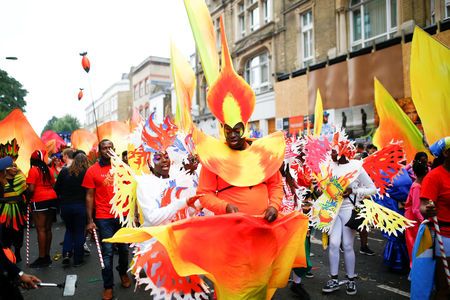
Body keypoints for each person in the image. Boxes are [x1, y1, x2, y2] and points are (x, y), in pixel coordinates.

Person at [197, 121, 283, 222]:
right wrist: (224, 207)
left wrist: (274, 206)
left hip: (262, 225)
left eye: (237, 131)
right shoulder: (214, 157)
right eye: (228, 132)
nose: (233, 135)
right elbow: (204, 194)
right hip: (229, 227)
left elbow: (275, 184)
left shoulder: (262, 152)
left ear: (245, 129)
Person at [322, 148, 377, 296]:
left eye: (334, 151)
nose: (331, 154)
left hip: (349, 208)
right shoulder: (329, 166)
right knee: (333, 244)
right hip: (333, 209)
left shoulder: (356, 166)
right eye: (331, 152)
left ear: (343, 151)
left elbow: (373, 189)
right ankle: (334, 279)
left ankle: (351, 279)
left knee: (347, 245)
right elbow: (324, 187)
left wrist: (353, 191)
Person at [82, 139, 131, 300]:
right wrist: (89, 220)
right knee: (107, 253)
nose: (108, 150)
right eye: (104, 148)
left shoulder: (122, 167)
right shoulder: (92, 171)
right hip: (103, 217)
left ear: (114, 149)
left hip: (122, 216)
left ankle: (123, 272)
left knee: (124, 250)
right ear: (99, 151)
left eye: (110, 147)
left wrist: (134, 214)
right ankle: (108, 286)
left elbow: (132, 189)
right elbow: (89, 196)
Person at [420, 137, 450, 299]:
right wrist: (428, 210)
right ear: (446, 153)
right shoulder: (434, 177)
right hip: (445, 236)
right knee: (445, 287)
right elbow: (423, 206)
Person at [54, 152, 89, 267]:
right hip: (80, 206)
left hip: (65, 206)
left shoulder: (64, 171)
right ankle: (78, 259)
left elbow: (56, 188)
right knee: (79, 231)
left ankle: (67, 253)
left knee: (69, 230)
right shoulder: (86, 173)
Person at [26, 150, 57, 268]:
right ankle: (47, 256)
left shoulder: (33, 170)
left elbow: (32, 189)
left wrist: (27, 198)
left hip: (39, 200)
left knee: (41, 230)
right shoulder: (49, 169)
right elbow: (54, 184)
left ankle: (42, 258)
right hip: (52, 198)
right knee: (48, 229)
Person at [0, 157, 28, 263]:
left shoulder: (20, 179)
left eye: (15, 166)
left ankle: (17, 252)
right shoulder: (0, 182)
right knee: (5, 234)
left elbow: (26, 194)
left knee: (18, 233)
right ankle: (8, 254)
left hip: (18, 212)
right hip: (3, 213)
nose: (15, 169)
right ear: (6, 170)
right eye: (12, 167)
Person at [404, 159, 428, 266]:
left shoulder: (416, 184)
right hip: (413, 219)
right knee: (414, 244)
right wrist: (424, 220)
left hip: (413, 218)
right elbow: (416, 209)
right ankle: (414, 268)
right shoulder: (417, 187)